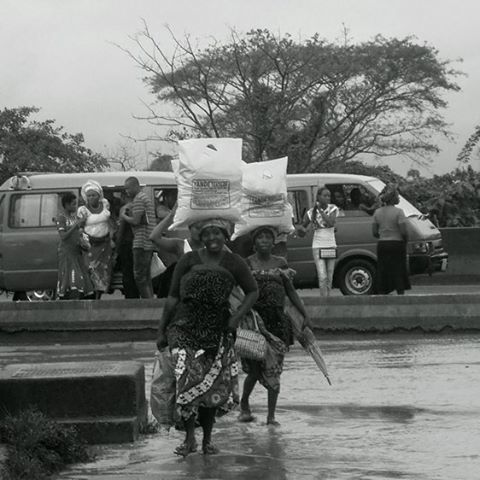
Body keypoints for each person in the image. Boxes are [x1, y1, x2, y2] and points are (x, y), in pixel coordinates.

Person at [156, 219, 258, 456]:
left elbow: (253, 291)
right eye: (208, 233)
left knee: (210, 385)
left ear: (226, 236)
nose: (213, 238)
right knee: (185, 378)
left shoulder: (235, 262)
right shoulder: (188, 260)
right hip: (183, 326)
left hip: (217, 329)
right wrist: (161, 330)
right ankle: (190, 438)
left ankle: (207, 440)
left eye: (218, 233)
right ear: (200, 237)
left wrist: (236, 318)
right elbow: (172, 297)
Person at [239, 226, 311, 426]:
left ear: (274, 243)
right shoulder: (248, 263)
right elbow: (240, 292)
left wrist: (305, 314)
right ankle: (244, 403)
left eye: (268, 237)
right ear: (254, 243)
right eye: (260, 237)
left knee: (275, 370)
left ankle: (271, 417)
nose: (264, 240)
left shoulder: (281, 263)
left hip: (278, 322)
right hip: (254, 322)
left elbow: (290, 291)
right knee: (254, 370)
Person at [149, 207, 204, 298]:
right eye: (197, 228)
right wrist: (171, 215)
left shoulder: (211, 246)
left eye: (202, 228)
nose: (199, 232)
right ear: (190, 228)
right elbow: (154, 237)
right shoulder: (180, 245)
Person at [298, 187, 338, 297]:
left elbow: (330, 223)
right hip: (318, 246)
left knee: (330, 275)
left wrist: (319, 210)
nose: (327, 198)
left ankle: (328, 297)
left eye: (329, 196)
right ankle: (323, 299)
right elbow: (303, 227)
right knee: (322, 276)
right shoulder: (310, 213)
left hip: (331, 245)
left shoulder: (333, 209)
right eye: (325, 195)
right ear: (318, 197)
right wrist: (302, 230)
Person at [77, 180, 115, 299]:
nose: (91, 197)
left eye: (94, 195)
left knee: (103, 270)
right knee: (91, 269)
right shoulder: (82, 210)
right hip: (90, 246)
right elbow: (79, 229)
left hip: (105, 245)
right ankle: (91, 295)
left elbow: (109, 222)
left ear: (99, 196)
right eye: (89, 195)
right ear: (85, 197)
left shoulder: (105, 205)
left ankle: (99, 295)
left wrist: (112, 237)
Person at [120, 177, 156, 298]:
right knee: (146, 276)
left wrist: (123, 216)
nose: (126, 191)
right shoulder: (145, 198)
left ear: (135, 186)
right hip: (148, 241)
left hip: (141, 242)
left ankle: (147, 302)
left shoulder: (139, 199)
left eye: (127, 188)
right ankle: (151, 301)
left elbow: (135, 221)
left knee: (139, 276)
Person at [372, 185, 411, 295]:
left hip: (383, 244)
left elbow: (374, 232)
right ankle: (400, 291)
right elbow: (403, 231)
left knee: (383, 269)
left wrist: (384, 235)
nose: (399, 198)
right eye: (398, 196)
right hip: (397, 244)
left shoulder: (377, 212)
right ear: (393, 198)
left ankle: (382, 291)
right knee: (398, 269)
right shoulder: (399, 212)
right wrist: (405, 241)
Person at [56, 192, 94, 300]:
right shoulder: (61, 218)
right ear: (66, 205)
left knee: (82, 279)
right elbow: (63, 236)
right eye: (73, 204)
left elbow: (78, 234)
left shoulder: (74, 218)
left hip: (77, 253)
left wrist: (84, 242)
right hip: (67, 254)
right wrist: (75, 225)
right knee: (73, 279)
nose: (75, 206)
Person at [116, 196, 140, 299]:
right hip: (139, 243)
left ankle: (131, 298)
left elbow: (121, 231)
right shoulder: (141, 207)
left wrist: (117, 249)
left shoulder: (125, 209)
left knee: (128, 274)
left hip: (127, 244)